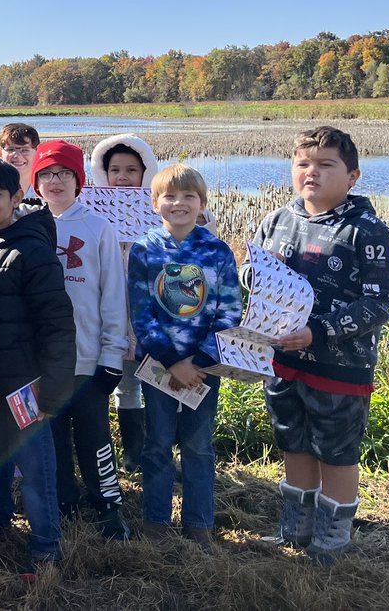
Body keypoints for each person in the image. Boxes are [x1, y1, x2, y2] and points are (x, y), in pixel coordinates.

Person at [252, 127, 389, 564]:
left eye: (325, 165)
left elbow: (382, 301)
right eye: (303, 164)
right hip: (282, 358)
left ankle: (332, 539)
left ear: (352, 175)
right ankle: (294, 529)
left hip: (340, 365)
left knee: (336, 452)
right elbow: (250, 270)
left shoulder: (366, 231)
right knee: (292, 443)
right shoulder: (277, 220)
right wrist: (254, 276)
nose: (311, 173)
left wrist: (321, 331)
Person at [0, 158, 76, 577]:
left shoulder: (33, 250)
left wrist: (55, 390)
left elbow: (57, 325)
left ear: (17, 197)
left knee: (36, 469)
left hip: (25, 386)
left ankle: (46, 550)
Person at [130, 164, 241, 550]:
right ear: (155, 202)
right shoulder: (145, 249)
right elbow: (141, 312)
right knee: (157, 443)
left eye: (188, 197)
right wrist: (169, 359)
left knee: (198, 445)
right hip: (158, 367)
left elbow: (230, 312)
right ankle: (156, 521)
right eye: (170, 196)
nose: (179, 203)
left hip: (203, 370)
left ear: (202, 204)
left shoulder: (217, 251)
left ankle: (198, 523)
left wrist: (198, 361)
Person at [32, 141, 130, 540]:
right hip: (43, 363)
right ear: (36, 182)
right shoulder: (28, 226)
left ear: (80, 181)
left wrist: (112, 354)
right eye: (47, 174)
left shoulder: (97, 227)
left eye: (64, 174)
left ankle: (108, 505)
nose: (55, 182)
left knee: (94, 439)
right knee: (51, 440)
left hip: (88, 359)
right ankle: (63, 502)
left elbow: (113, 295)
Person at [89, 133, 159, 473]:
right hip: (110, 311)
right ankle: (127, 453)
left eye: (132, 169)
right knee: (123, 383)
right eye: (115, 169)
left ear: (146, 172)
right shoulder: (94, 211)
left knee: (155, 379)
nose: (122, 177)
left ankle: (152, 451)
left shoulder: (159, 208)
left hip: (150, 314)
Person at [0, 122, 41, 198]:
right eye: (11, 149)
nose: (17, 156)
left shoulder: (47, 189)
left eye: (25, 150)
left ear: (37, 153)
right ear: (0, 154)